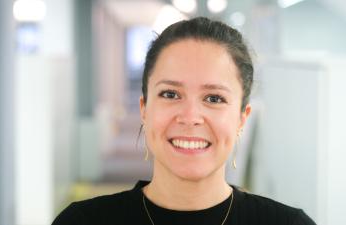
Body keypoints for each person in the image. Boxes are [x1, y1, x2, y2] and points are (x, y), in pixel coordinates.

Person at [52, 17, 316, 225]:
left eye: (214, 98)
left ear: (241, 118)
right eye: (170, 94)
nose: (190, 117)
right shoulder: (82, 221)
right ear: (144, 109)